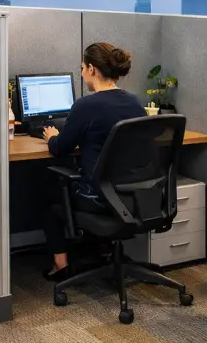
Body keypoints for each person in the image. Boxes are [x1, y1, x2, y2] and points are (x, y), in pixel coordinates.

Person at [41, 43, 146, 281]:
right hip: (132, 195)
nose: (81, 73)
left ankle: (61, 264)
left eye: (82, 68)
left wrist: (51, 136)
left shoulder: (85, 106)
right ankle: (103, 250)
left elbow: (60, 149)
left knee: (49, 193)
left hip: (98, 199)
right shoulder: (135, 102)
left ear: (92, 69)